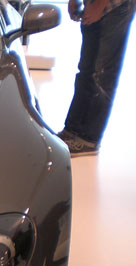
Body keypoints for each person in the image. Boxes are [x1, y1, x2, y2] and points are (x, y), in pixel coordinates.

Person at [58, 0, 136, 157]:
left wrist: (99, 5)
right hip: (93, 5)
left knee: (102, 74)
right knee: (86, 70)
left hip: (115, 6)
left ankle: (88, 138)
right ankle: (72, 131)